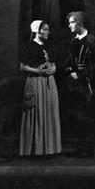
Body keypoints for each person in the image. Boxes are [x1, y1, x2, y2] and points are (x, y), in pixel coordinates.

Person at [19, 20, 62, 157]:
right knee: (37, 112)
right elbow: (23, 67)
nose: (48, 32)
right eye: (45, 29)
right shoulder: (29, 46)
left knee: (50, 112)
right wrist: (39, 71)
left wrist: (53, 69)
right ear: (38, 31)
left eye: (48, 29)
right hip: (36, 82)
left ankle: (50, 149)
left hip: (49, 82)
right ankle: (36, 150)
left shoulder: (48, 46)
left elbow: (53, 63)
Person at [64, 11, 95, 157]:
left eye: (72, 22)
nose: (69, 25)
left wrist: (81, 75)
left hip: (88, 82)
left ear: (80, 22)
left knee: (88, 115)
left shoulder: (92, 40)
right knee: (76, 115)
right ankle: (79, 147)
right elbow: (69, 61)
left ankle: (89, 148)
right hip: (75, 83)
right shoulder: (74, 42)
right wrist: (70, 71)